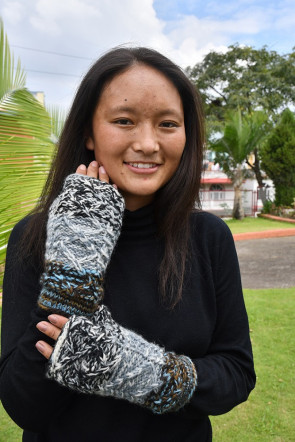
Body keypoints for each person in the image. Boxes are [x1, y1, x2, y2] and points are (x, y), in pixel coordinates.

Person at [0, 46, 255, 442]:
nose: (149, 143)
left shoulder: (208, 238)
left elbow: (236, 375)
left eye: (168, 124)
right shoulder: (33, 236)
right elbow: (23, 405)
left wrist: (137, 371)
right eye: (124, 120)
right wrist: (75, 267)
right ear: (88, 130)